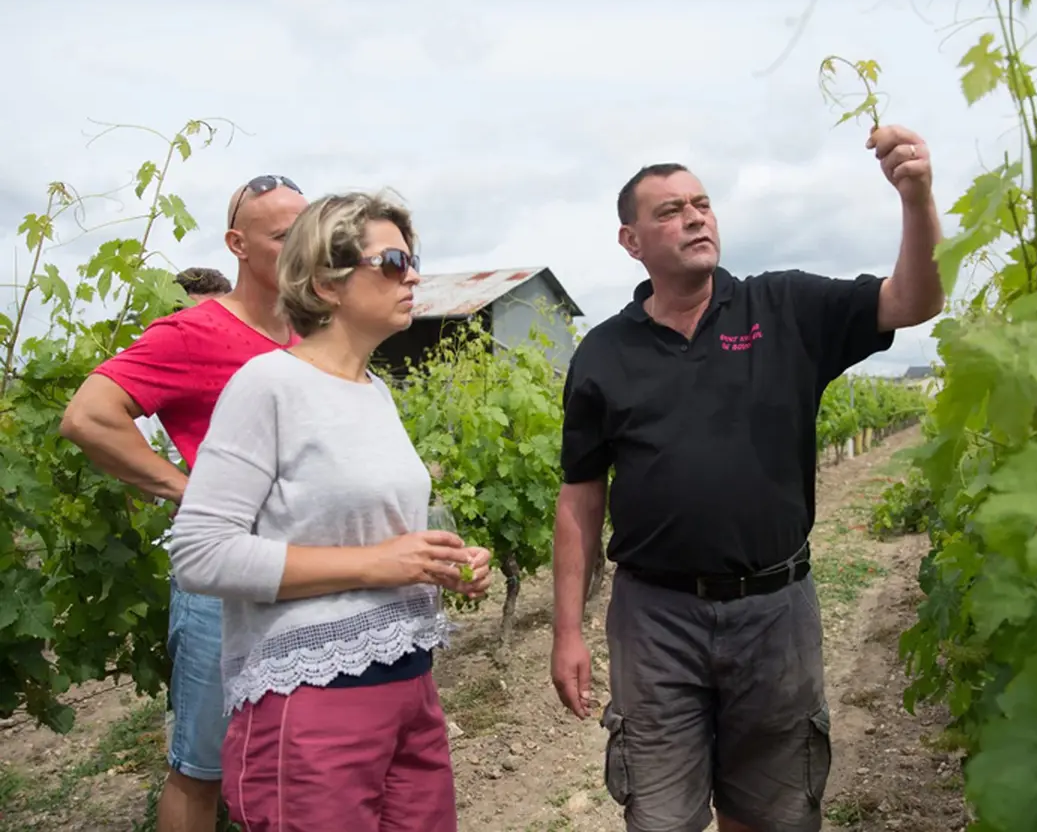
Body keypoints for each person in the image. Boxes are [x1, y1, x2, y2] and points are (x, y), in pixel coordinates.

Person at [550, 125, 946, 832]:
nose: (694, 217)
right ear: (630, 241)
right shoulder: (605, 354)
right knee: (662, 817)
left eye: (701, 203)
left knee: (772, 814)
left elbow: (911, 302)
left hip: (775, 612)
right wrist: (567, 631)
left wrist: (915, 198)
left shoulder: (785, 308)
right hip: (654, 620)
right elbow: (581, 497)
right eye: (668, 211)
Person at [169, 190, 492, 832]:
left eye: (412, 259)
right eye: (393, 261)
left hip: (410, 684)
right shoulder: (268, 385)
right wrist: (377, 564)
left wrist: (439, 561)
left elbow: (375, 541)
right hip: (312, 701)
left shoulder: (374, 392)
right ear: (326, 282)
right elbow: (200, 553)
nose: (414, 276)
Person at [59, 175, 307, 832]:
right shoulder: (196, 331)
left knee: (300, 757)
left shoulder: (314, 339)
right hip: (224, 583)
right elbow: (88, 416)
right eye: (284, 235)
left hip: (310, 573)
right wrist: (188, 490)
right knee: (201, 768)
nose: (303, 246)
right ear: (238, 244)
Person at [135, 266, 233, 464]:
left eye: (220, 317)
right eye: (200, 318)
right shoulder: (153, 388)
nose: (212, 328)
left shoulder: (252, 375)